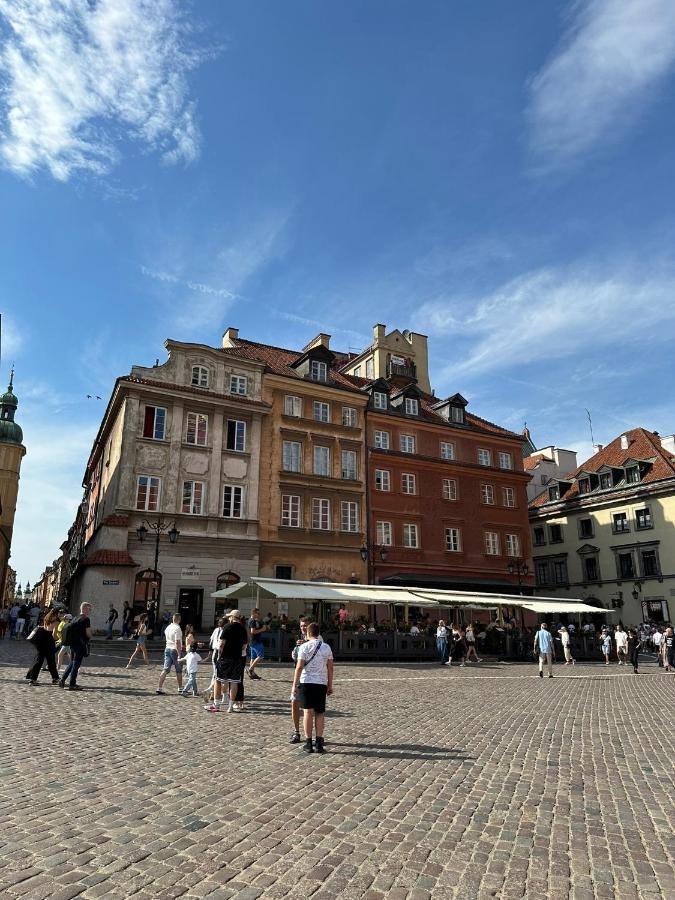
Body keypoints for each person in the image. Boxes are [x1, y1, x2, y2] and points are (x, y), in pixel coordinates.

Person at [291, 622, 334, 754]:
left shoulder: (304, 647)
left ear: (308, 633)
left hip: (306, 682)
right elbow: (330, 667)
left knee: (308, 712)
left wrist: (294, 684)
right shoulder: (326, 647)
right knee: (320, 713)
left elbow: (299, 667)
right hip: (321, 683)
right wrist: (330, 685)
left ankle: (308, 743)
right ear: (318, 633)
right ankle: (319, 743)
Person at [205, 609, 248, 713]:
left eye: (229, 617)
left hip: (225, 657)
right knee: (234, 682)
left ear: (232, 617)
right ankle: (230, 707)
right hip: (237, 658)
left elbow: (221, 644)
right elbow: (244, 646)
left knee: (218, 680)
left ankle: (216, 705)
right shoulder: (243, 629)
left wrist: (219, 656)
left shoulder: (227, 627)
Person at [58, 602, 93, 691]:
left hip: (72, 643)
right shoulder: (86, 619)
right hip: (80, 644)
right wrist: (90, 636)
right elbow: (88, 633)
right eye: (89, 609)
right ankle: (72, 684)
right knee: (76, 664)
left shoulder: (75, 618)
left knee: (73, 662)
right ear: (84, 609)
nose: (90, 611)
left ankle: (62, 679)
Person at [25, 610, 60, 685]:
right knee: (51, 661)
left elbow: (44, 628)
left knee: (39, 660)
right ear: (56, 615)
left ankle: (33, 679)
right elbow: (54, 636)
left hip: (41, 641)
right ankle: (55, 678)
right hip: (49, 642)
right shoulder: (56, 622)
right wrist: (60, 638)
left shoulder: (46, 619)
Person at [290, 617, 311, 742]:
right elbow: (295, 657)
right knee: (294, 703)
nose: (303, 628)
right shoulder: (300, 638)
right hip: (299, 676)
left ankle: (314, 735)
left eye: (305, 625)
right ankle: (296, 732)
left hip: (310, 677)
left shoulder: (317, 638)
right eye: (302, 625)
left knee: (311, 708)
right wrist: (295, 651)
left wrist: (305, 645)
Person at [156, 613, 183, 695]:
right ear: (179, 619)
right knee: (178, 669)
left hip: (167, 648)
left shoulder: (168, 627)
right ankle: (180, 688)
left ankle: (159, 687)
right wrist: (179, 654)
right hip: (175, 650)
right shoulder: (177, 628)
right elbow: (177, 642)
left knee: (165, 669)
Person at [246, 608, 267, 680]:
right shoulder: (252, 621)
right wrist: (262, 629)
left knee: (253, 658)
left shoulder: (251, 620)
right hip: (256, 641)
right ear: (253, 613)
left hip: (252, 641)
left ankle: (252, 674)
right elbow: (253, 631)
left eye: (259, 613)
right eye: (257, 613)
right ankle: (250, 669)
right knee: (260, 656)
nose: (258, 615)